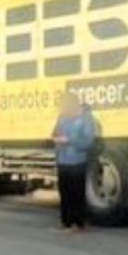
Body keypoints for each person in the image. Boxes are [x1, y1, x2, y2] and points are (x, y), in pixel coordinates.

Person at [52, 93, 96, 232]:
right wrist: (55, 137)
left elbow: (88, 141)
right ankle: (66, 223)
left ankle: (78, 223)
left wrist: (69, 140)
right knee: (64, 193)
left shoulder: (85, 119)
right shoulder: (62, 117)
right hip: (63, 160)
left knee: (76, 193)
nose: (62, 109)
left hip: (77, 160)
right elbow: (54, 132)